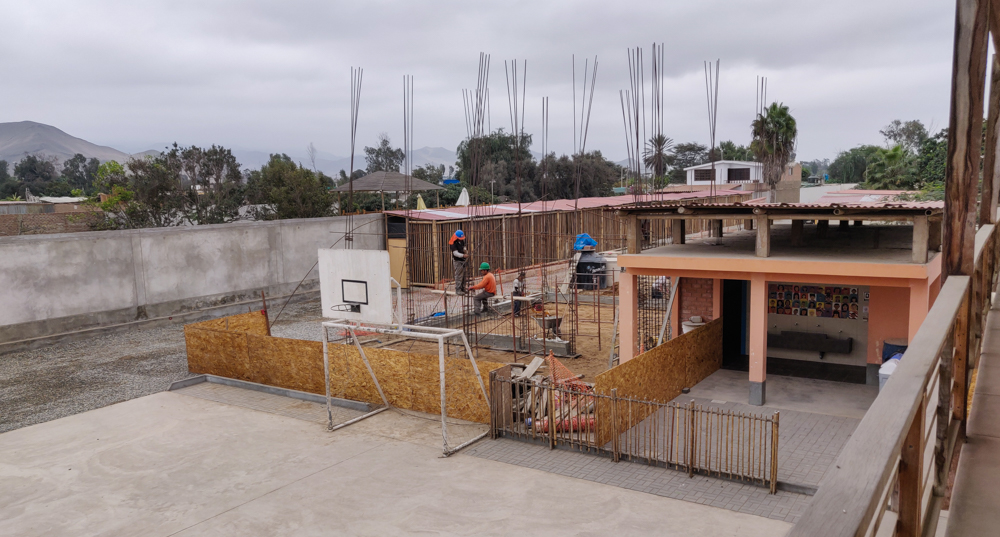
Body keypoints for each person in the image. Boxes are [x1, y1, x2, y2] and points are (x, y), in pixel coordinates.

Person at [449, 230, 467, 294]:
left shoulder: (462, 241)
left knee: (464, 275)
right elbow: (455, 253)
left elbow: (464, 247)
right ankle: (458, 289)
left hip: (463, 260)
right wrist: (463, 255)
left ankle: (463, 288)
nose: (461, 240)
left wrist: (465, 251)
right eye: (459, 239)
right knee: (459, 275)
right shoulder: (453, 243)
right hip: (457, 261)